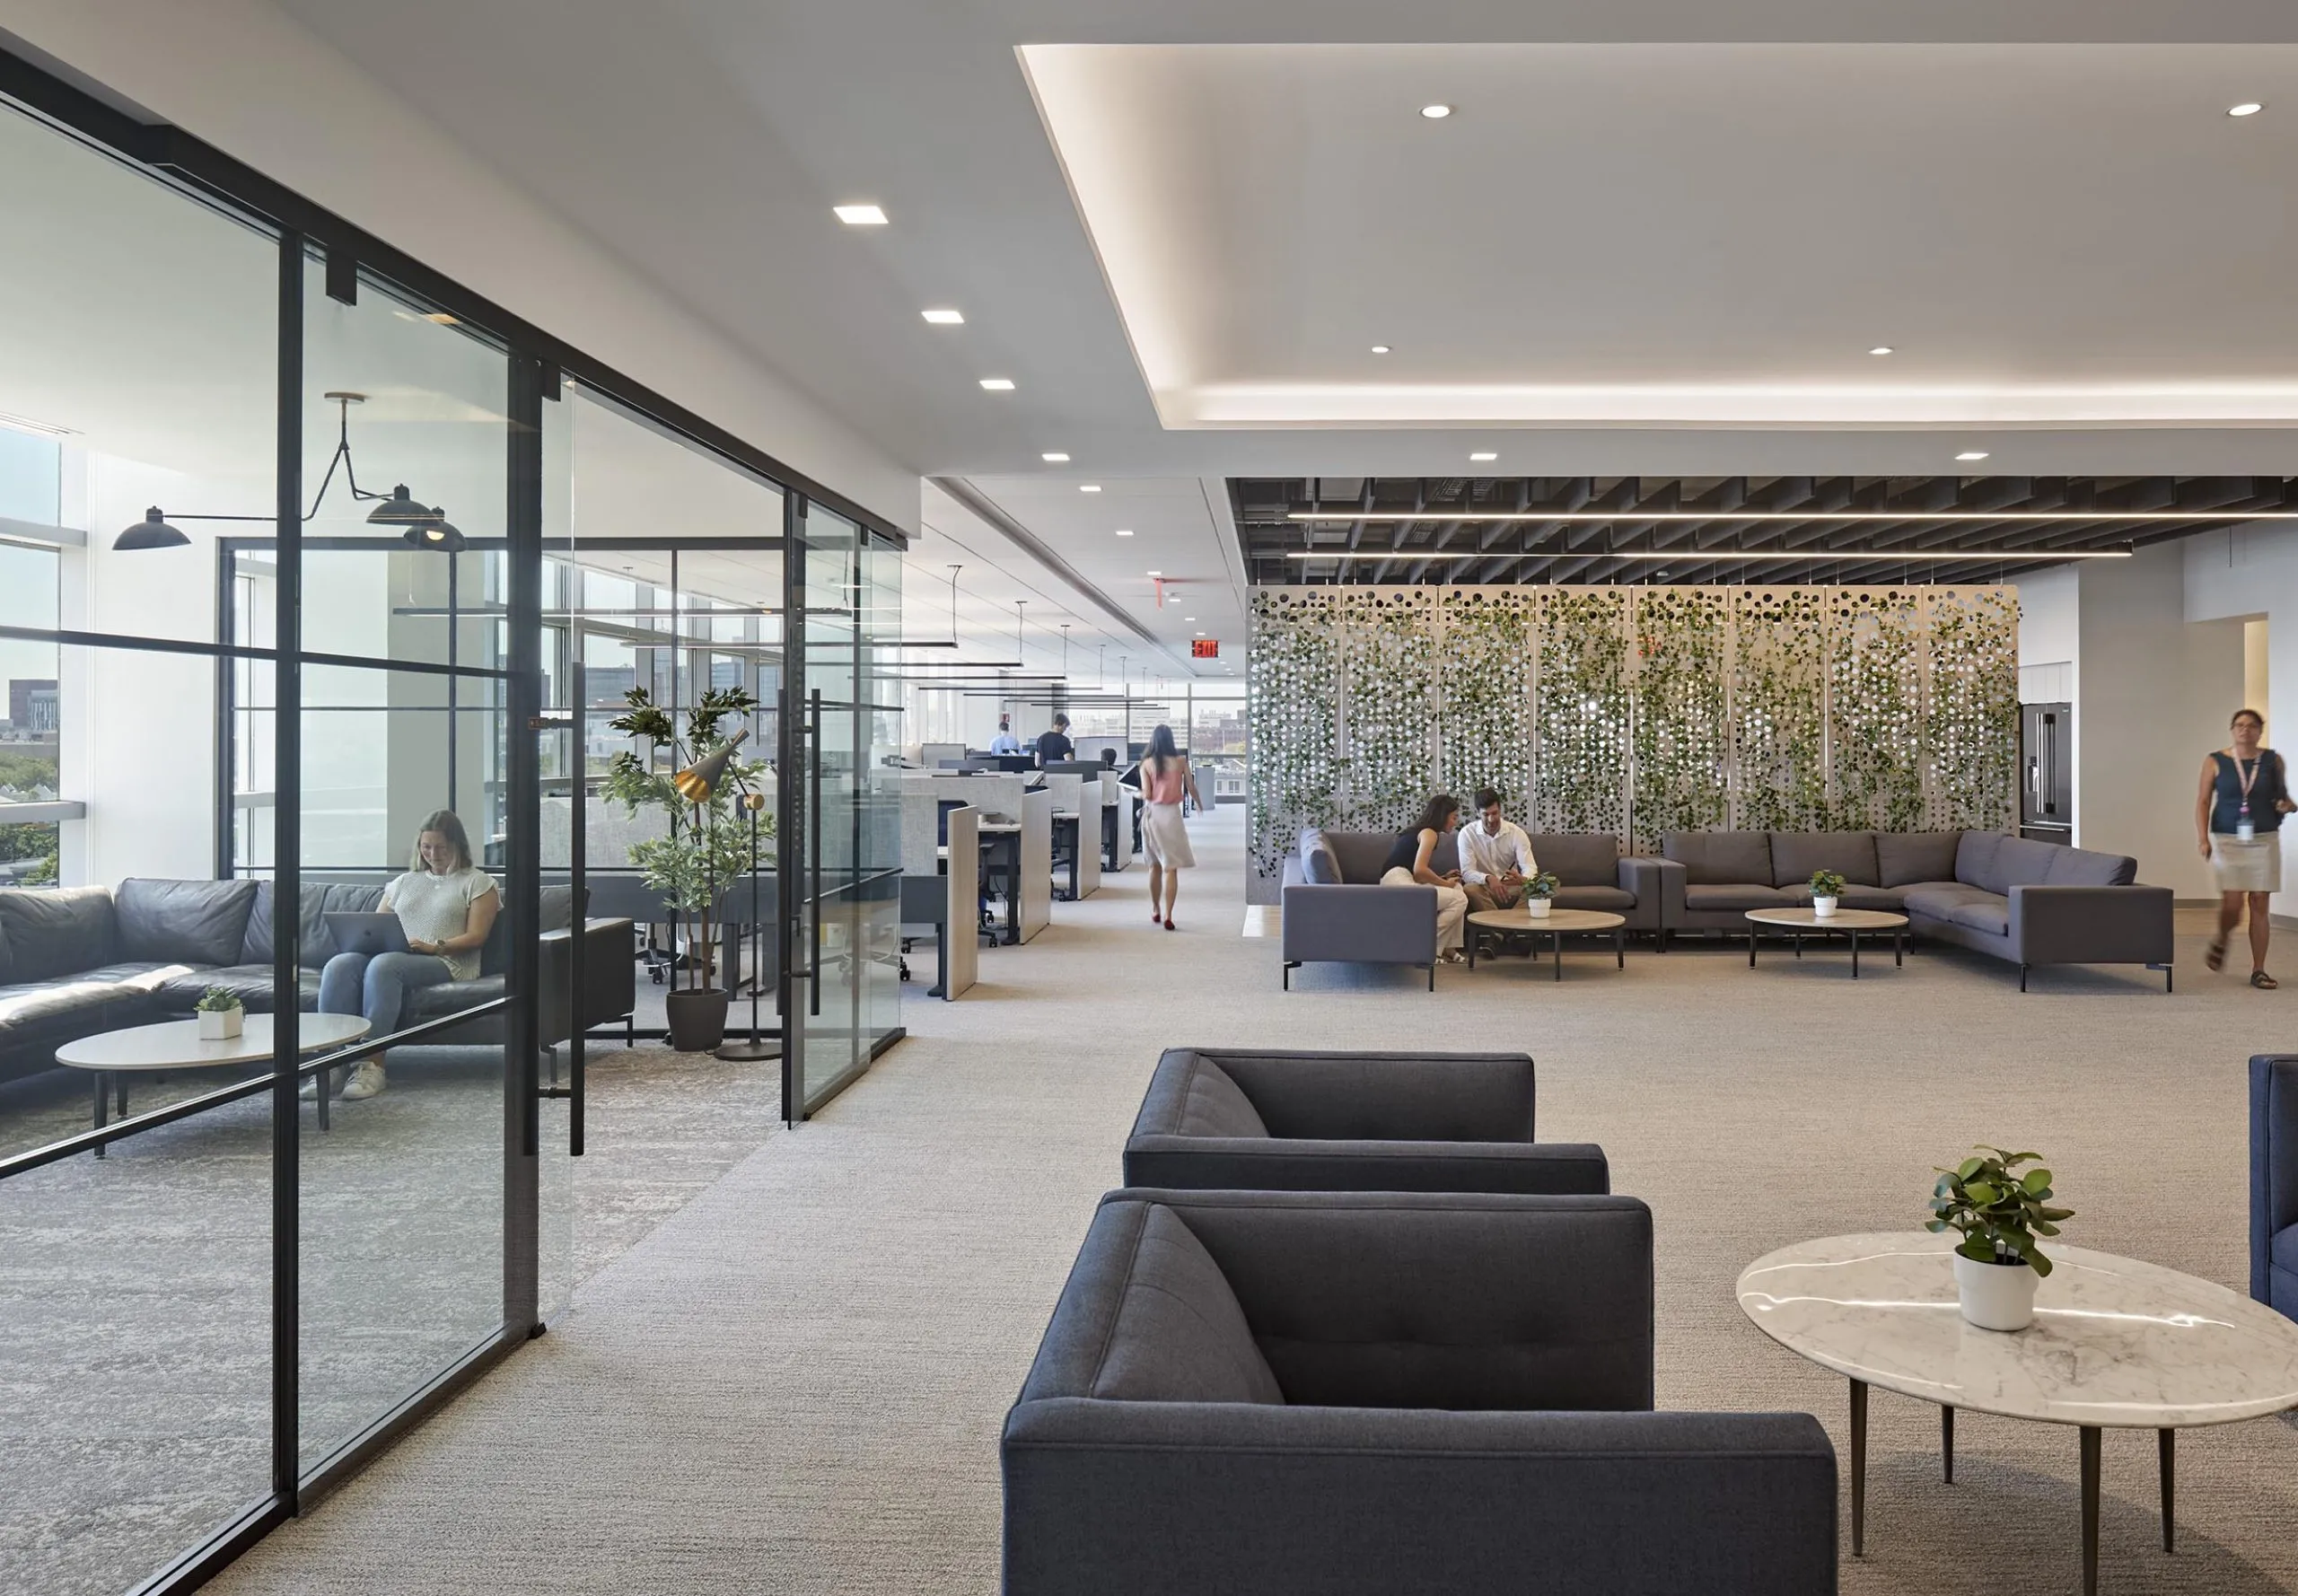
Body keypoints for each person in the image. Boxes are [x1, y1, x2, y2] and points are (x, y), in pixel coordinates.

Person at [312, 809, 502, 1100]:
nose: (433, 853)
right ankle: (330, 1063)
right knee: (340, 964)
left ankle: (371, 1063)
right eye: (426, 847)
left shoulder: (478, 882)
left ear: (457, 846)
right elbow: (377, 926)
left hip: (447, 960)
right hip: (398, 955)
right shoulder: (404, 882)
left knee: (384, 967)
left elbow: (477, 937)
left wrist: (435, 946)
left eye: (441, 847)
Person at [2197, 707, 2294, 988]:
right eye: (2239, 725)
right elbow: (2203, 801)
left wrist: (2287, 806)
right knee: (2233, 904)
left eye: (2251, 726)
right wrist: (2202, 838)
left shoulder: (2273, 761)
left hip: (2264, 837)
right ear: (2232, 729)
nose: (2245, 730)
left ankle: (2259, 969)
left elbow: (2282, 795)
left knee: (2260, 900)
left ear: (2259, 731)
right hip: (2228, 838)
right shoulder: (2215, 761)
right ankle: (2223, 937)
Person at [1380, 794, 1469, 964]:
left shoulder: (1420, 832)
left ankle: (1449, 947)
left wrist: (1444, 879)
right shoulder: (1430, 833)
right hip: (1396, 883)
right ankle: (1429, 947)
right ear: (1443, 816)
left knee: (1457, 888)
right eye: (1454, 817)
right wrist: (1444, 883)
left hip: (1402, 880)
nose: (1455, 822)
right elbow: (1420, 871)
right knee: (1460, 899)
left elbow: (1416, 874)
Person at [1139, 723, 1202, 930]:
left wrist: (1134, 794)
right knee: (1171, 868)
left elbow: (1147, 794)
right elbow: (1191, 787)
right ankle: (1169, 914)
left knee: (1154, 866)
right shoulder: (1181, 761)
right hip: (1172, 815)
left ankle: (1155, 909)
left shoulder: (1147, 764)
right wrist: (1199, 805)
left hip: (1153, 815)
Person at [1458, 786, 1538, 913]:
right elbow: (1467, 872)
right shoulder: (1467, 834)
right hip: (1485, 887)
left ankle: (1509, 925)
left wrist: (1523, 879)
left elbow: (1530, 867)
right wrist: (1489, 878)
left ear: (1500, 810)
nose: (1491, 819)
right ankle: (1505, 927)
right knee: (1470, 888)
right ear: (1478, 813)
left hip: (1511, 886)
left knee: (1545, 886)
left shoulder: (1516, 832)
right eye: (1485, 814)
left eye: (1494, 813)